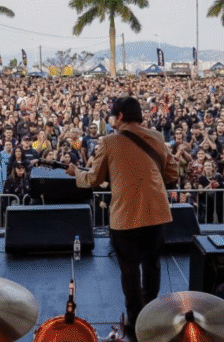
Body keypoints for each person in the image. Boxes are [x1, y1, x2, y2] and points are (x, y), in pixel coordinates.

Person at [65, 97, 178, 341]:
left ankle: (136, 322)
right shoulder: (157, 137)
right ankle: (151, 314)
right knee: (153, 265)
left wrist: (76, 174)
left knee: (129, 270)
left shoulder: (109, 142)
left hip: (125, 217)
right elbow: (172, 173)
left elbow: (94, 179)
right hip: (157, 213)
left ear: (120, 117)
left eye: (112, 115)